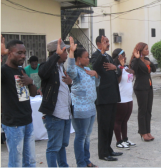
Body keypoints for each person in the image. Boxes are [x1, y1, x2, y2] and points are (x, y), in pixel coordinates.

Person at [1, 37, 37, 167]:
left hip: (27, 121)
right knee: (16, 163)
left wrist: (30, 82)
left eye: (24, 53)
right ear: (9, 53)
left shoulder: (21, 70)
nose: (23, 56)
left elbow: (32, 93)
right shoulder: (4, 71)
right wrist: (1, 54)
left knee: (30, 161)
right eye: (19, 53)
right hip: (13, 125)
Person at [38, 38, 73, 167]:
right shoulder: (46, 67)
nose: (67, 54)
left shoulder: (60, 67)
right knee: (54, 146)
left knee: (62, 145)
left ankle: (63, 165)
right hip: (55, 115)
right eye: (65, 51)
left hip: (65, 113)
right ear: (56, 52)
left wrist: (70, 82)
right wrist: (56, 56)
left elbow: (63, 89)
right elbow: (43, 73)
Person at [66, 37, 100, 167]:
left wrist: (96, 74)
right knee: (80, 136)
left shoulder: (87, 70)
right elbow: (70, 70)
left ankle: (86, 160)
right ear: (78, 59)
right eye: (86, 57)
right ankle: (81, 163)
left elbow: (97, 83)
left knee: (87, 136)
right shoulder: (76, 72)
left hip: (91, 107)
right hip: (80, 109)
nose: (88, 59)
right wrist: (71, 53)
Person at [90, 35, 123, 161]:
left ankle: (108, 149)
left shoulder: (108, 57)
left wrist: (116, 68)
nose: (108, 44)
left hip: (112, 96)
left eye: (108, 42)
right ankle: (103, 153)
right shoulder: (96, 55)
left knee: (110, 125)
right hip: (103, 97)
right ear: (99, 44)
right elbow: (95, 67)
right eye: (105, 42)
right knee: (103, 126)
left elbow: (118, 70)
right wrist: (102, 52)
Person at [129, 42, 156, 141]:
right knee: (142, 110)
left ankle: (148, 131)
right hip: (140, 88)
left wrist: (150, 64)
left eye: (148, 48)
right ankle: (143, 132)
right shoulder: (135, 61)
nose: (148, 51)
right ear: (140, 50)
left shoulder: (147, 59)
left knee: (148, 110)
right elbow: (133, 70)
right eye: (146, 49)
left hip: (149, 87)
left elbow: (154, 70)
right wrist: (136, 58)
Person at [112, 48, 136, 149]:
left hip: (129, 97)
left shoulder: (125, 67)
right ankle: (119, 141)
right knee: (118, 120)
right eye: (123, 55)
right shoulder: (116, 68)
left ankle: (125, 139)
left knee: (125, 120)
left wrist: (131, 72)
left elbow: (131, 79)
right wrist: (121, 68)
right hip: (120, 98)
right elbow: (118, 81)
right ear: (118, 57)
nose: (125, 57)